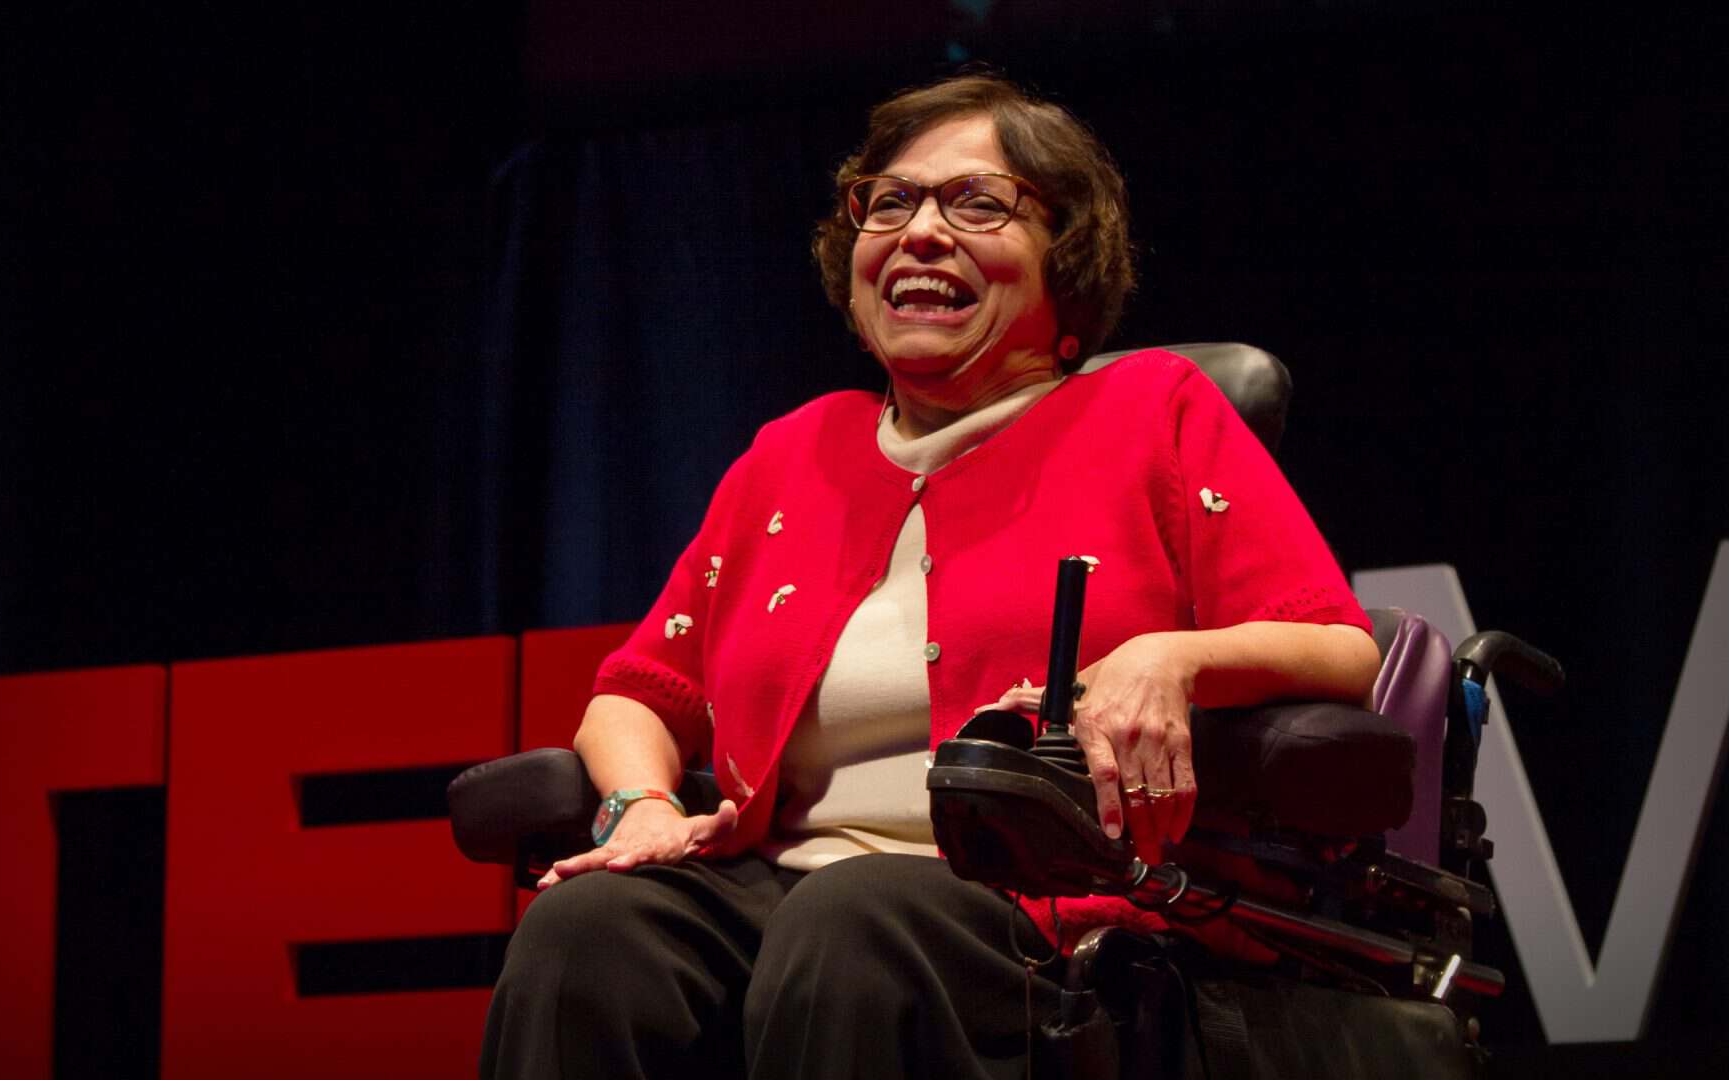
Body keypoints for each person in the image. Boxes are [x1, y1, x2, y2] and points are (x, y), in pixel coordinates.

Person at [480, 73, 1379, 1079]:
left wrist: (1169, 659)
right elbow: (638, 693)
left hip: (1048, 906)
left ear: (1065, 256)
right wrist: (637, 804)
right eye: (891, 201)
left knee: (854, 919)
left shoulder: (1150, 411)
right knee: (588, 934)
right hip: (779, 887)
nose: (919, 232)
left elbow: (1337, 648)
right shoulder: (792, 452)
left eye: (978, 203)